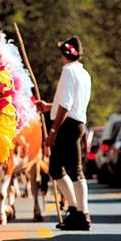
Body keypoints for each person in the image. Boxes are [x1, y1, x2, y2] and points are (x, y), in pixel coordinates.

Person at [35, 36, 92, 230]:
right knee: (75, 170)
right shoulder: (83, 73)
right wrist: (48, 107)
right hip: (78, 123)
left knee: (56, 169)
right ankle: (81, 213)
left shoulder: (68, 72)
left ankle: (76, 210)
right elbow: (69, 104)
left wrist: (53, 130)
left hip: (67, 125)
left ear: (65, 54)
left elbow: (66, 106)